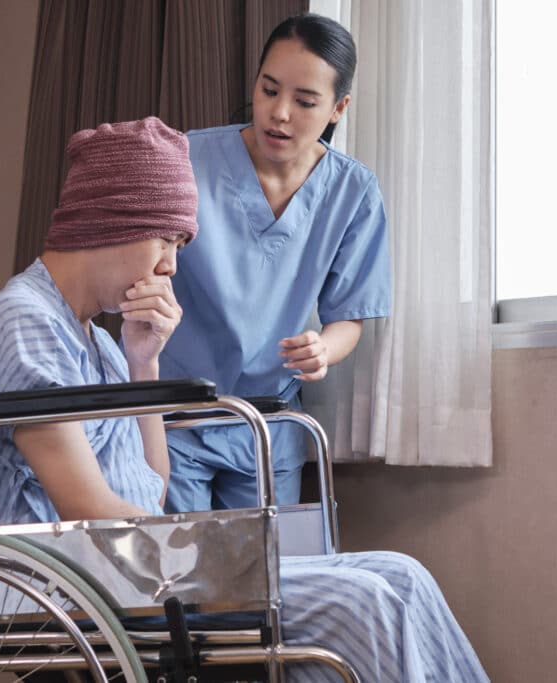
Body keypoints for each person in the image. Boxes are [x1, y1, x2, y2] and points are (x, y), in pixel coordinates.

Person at [0, 117, 488, 682]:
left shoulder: (98, 342)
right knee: (361, 601)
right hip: (67, 585)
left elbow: (150, 487)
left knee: (401, 574)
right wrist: (221, 550)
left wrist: (143, 362)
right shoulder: (21, 322)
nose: (171, 267)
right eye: (166, 240)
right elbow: (92, 514)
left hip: (127, 570)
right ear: (110, 222)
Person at [160, 13, 390, 512]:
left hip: (269, 420)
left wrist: (323, 350)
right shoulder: (185, 160)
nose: (279, 113)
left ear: (338, 108)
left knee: (273, 581)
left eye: (305, 101)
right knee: (179, 581)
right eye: (268, 90)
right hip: (173, 415)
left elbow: (349, 318)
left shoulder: (353, 192)